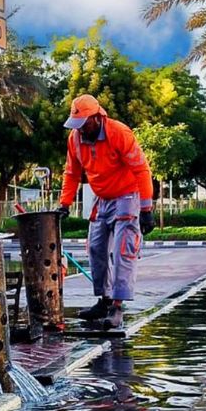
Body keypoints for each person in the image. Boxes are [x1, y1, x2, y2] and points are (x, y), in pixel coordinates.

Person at [57, 95, 155, 331]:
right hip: (102, 198)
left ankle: (117, 307)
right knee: (95, 247)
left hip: (127, 196)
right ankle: (104, 299)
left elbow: (141, 170)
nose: (80, 130)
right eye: (76, 125)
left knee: (123, 251)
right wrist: (65, 203)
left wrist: (146, 208)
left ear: (96, 118)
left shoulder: (119, 133)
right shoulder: (76, 139)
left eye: (83, 124)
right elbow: (71, 173)